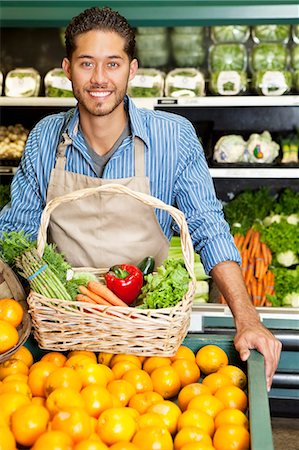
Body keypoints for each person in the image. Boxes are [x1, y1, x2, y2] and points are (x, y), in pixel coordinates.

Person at [0, 6, 281, 389]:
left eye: (112, 64)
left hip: (149, 343)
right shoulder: (45, 138)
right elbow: (16, 233)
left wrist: (247, 319)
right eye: (86, 63)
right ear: (67, 69)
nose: (99, 79)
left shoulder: (174, 137)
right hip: (64, 345)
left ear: (132, 70)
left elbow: (208, 227)